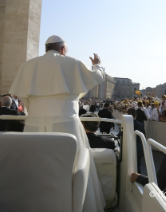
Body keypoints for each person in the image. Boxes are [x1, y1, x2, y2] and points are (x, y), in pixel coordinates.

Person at [9, 35, 107, 211]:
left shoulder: (28, 66)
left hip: (33, 125)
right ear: (62, 49)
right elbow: (96, 77)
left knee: (33, 169)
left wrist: (36, 113)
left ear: (47, 48)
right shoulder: (70, 62)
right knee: (73, 169)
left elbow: (24, 97)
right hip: (67, 124)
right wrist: (97, 65)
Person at [127, 108, 146, 173]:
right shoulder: (140, 125)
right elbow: (143, 137)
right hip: (138, 149)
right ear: (136, 115)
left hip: (127, 148)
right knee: (137, 167)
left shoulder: (125, 124)